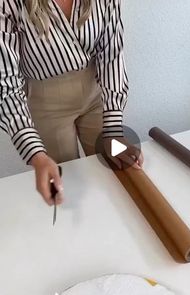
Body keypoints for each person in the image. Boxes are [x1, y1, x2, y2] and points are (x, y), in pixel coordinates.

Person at [0, 0, 144, 205]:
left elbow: (111, 54)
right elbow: (6, 84)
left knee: (114, 171)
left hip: (96, 92)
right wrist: (36, 154)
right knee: (66, 184)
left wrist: (113, 130)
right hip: (46, 102)